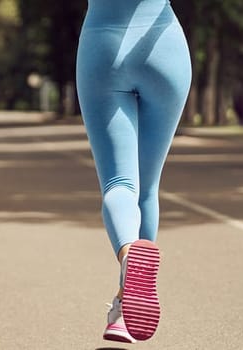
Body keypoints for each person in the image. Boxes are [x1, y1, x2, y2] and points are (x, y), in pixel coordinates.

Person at [75, 0, 192, 343]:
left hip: (102, 47)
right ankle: (126, 309)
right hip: (164, 46)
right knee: (147, 188)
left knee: (120, 183)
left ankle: (128, 259)